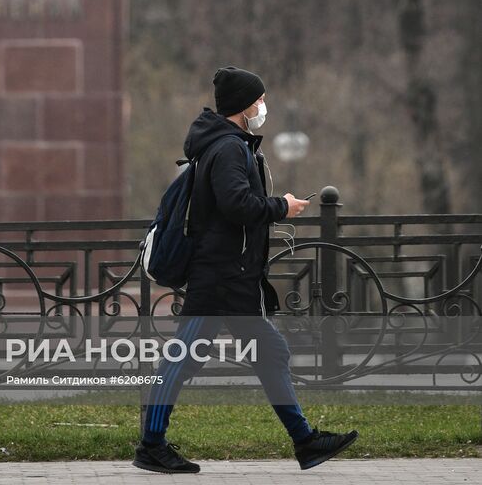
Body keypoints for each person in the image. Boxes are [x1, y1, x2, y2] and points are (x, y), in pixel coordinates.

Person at [133, 66, 359, 474]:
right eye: (259, 100)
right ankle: (151, 444)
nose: (262, 106)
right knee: (183, 359)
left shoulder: (228, 145)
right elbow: (236, 205)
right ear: (243, 107)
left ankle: (305, 441)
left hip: (230, 276)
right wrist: (282, 206)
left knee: (264, 352)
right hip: (220, 277)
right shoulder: (227, 148)